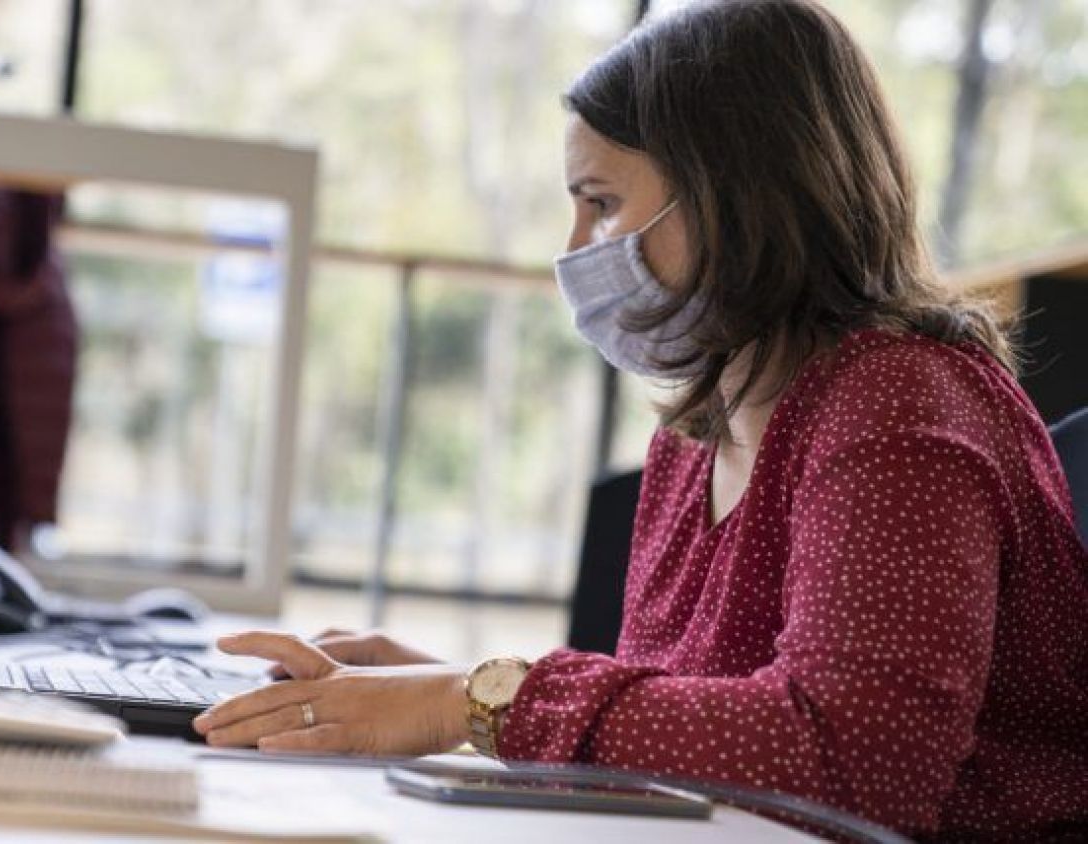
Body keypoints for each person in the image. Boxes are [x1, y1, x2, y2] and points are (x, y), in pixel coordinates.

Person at [192, 0, 1088, 839]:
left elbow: (854, 758)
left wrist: (475, 700)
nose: (577, 249)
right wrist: (437, 688)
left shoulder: (899, 405)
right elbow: (711, 731)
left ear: (737, 192)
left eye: (604, 202)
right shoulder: (699, 430)